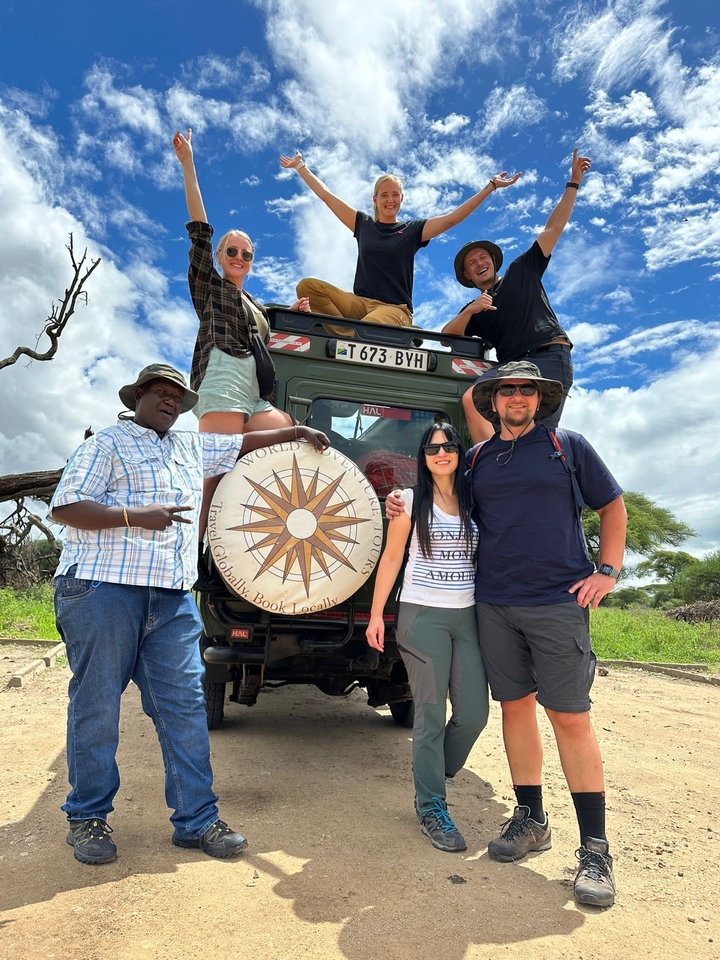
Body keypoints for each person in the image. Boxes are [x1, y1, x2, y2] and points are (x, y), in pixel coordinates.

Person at [50, 363, 329, 865]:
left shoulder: (188, 446)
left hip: (173, 599)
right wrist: (135, 516)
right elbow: (66, 507)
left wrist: (297, 431)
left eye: (177, 396)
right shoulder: (107, 443)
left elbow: (240, 444)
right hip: (103, 589)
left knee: (183, 708)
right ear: (137, 397)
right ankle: (87, 817)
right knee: (97, 708)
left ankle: (196, 820)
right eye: (159, 392)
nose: (170, 401)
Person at [385, 361, 626, 907]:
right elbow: (438, 488)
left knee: (568, 716)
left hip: (557, 602)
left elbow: (612, 506)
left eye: (527, 390)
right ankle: (531, 819)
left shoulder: (568, 447)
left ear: (539, 399)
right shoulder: (476, 459)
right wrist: (400, 498)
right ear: (493, 400)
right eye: (508, 389)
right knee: (515, 710)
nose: (517, 397)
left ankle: (594, 849)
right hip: (492, 605)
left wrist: (606, 572)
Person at [173, 128, 310, 546]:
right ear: (219, 258)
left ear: (252, 261)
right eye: (231, 251)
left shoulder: (253, 303)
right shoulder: (209, 287)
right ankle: (194, 558)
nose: (238, 257)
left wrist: (292, 312)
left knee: (285, 432)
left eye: (245, 254)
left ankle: (246, 532)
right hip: (223, 373)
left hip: (254, 386)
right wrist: (188, 163)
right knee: (212, 473)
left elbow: (263, 331)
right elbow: (200, 228)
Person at [366, 421, 488, 853]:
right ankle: (431, 806)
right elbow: (393, 556)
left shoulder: (477, 501)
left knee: (474, 714)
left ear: (459, 452)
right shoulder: (410, 502)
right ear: (423, 456)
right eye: (432, 447)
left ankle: (432, 771)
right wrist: (377, 613)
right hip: (422, 616)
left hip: (468, 616)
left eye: (449, 446)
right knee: (430, 716)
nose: (441, 453)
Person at [279, 150, 520, 335]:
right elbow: (327, 198)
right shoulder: (363, 225)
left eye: (395, 194)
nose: (390, 199)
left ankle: (352, 337)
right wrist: (300, 167)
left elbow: (452, 219)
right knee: (307, 286)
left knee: (368, 326)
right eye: (384, 194)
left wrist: (490, 186)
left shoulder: (412, 230)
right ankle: (346, 336)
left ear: (401, 198)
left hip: (395, 310)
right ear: (375, 199)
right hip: (360, 304)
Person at [442, 149, 591, 444]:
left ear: (493, 262)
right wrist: (471, 311)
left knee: (537, 442)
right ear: (469, 278)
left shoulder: (522, 270)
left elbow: (553, 228)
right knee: (473, 400)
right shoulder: (475, 310)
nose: (479, 263)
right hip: (511, 369)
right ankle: (488, 468)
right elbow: (447, 336)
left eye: (482, 257)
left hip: (548, 357)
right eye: (472, 264)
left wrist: (573, 183)